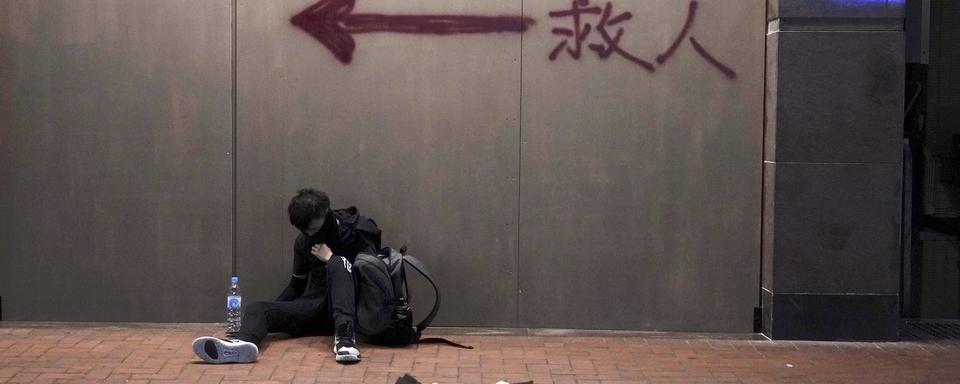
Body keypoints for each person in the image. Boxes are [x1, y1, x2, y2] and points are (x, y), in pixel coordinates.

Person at [192, 188, 381, 364]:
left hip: (348, 310)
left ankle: (345, 340)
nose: (311, 234)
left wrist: (331, 258)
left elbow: (370, 273)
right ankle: (240, 346)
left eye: (314, 229)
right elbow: (296, 286)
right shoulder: (303, 242)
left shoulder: (354, 230)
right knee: (258, 308)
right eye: (306, 231)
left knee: (339, 263)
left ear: (325, 213)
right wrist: (273, 313)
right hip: (314, 309)